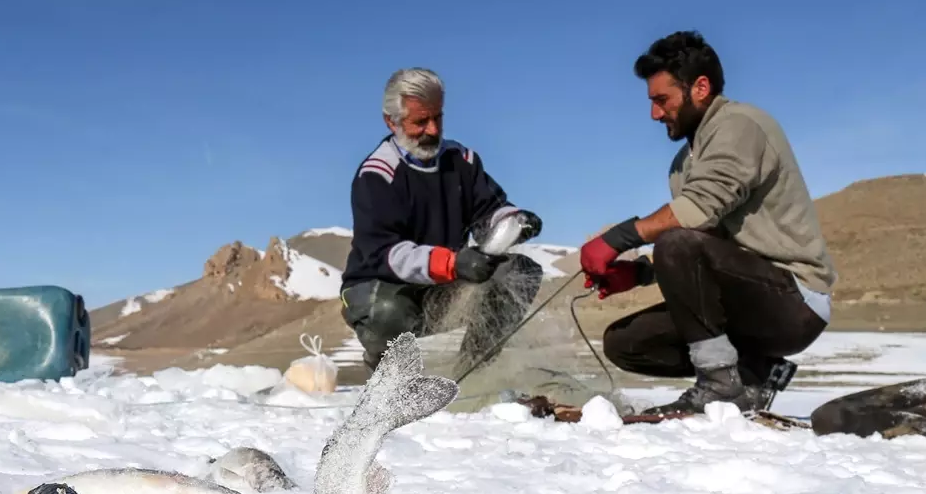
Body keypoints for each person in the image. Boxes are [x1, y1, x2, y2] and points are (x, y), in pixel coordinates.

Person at [580, 31, 837, 415]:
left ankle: (720, 383)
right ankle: (754, 373)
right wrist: (640, 274)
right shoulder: (683, 163)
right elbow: (708, 241)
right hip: (741, 297)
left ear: (701, 87)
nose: (654, 113)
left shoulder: (740, 125)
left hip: (793, 302)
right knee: (625, 342)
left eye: (661, 100)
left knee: (676, 241)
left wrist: (616, 239)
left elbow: (697, 211)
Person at [340, 67, 545, 377]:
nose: (433, 130)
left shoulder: (461, 161)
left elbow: (489, 210)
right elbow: (386, 252)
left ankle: (472, 374)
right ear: (390, 122)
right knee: (387, 314)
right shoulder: (377, 175)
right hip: (383, 289)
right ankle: (385, 378)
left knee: (520, 271)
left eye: (438, 118)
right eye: (421, 122)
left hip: (441, 284)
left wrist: (515, 221)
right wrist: (452, 262)